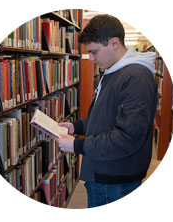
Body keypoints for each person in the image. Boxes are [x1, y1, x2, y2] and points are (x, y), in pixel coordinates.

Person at [56, 14, 158, 208]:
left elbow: (128, 137)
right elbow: (105, 117)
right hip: (103, 171)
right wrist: (76, 126)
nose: (91, 59)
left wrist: (78, 146)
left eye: (94, 52)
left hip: (115, 179)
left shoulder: (135, 77)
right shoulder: (113, 71)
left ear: (114, 43)